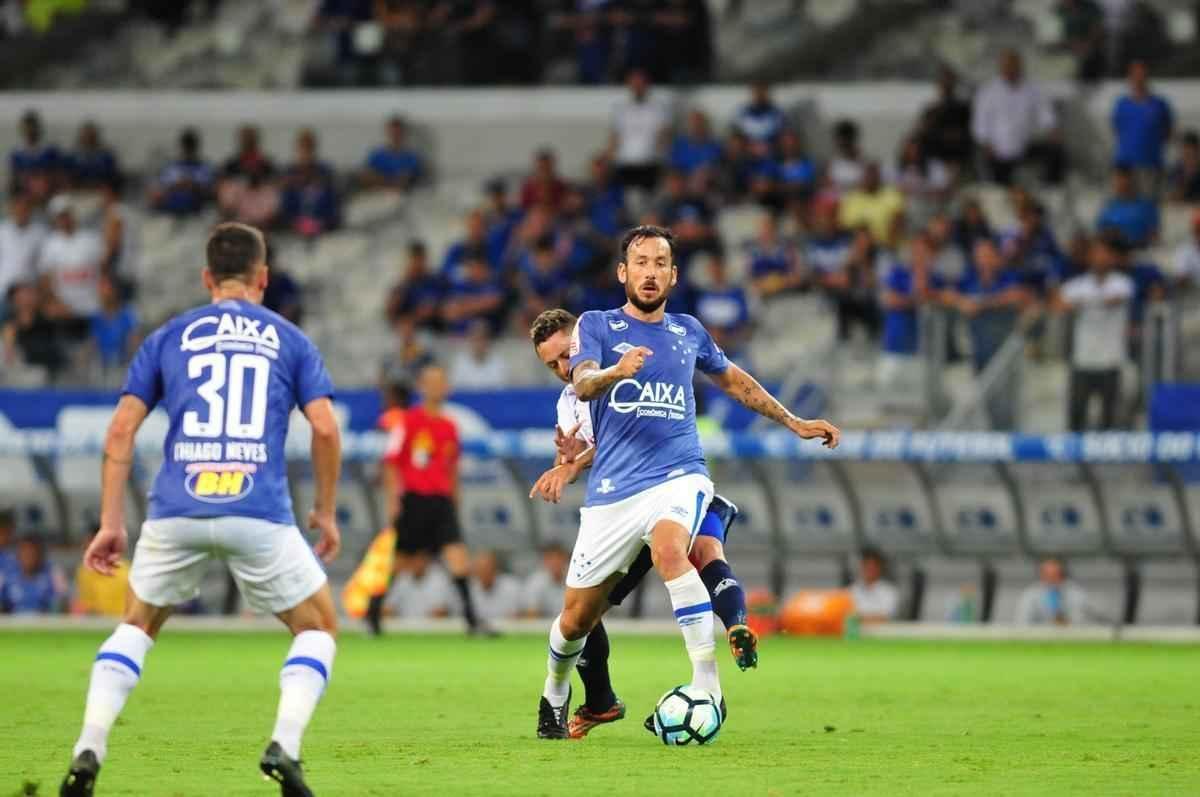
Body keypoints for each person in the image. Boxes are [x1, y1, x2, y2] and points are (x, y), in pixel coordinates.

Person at [58, 222, 343, 796]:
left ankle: (88, 747)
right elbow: (325, 428)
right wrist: (325, 510)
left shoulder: (168, 336)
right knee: (318, 628)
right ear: (263, 277)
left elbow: (120, 431)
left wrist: (111, 522)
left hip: (176, 508)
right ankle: (284, 746)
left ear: (207, 278)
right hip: (257, 510)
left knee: (137, 625)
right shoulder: (289, 338)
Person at [527, 227, 839, 739]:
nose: (650, 272)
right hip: (613, 494)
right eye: (640, 262)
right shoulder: (596, 325)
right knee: (575, 620)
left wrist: (794, 421)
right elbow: (583, 381)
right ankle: (555, 694)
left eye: (660, 263)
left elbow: (734, 380)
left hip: (678, 473)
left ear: (673, 275)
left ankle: (706, 685)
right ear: (623, 272)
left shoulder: (689, 331)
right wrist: (615, 373)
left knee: (673, 550)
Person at [527, 306, 761, 739]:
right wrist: (567, 463)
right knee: (579, 618)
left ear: (582, 340)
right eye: (552, 364)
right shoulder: (569, 402)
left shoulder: (633, 363)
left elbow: (630, 434)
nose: (562, 368)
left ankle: (711, 679)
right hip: (619, 511)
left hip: (673, 485)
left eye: (566, 354)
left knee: (692, 551)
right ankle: (577, 698)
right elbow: (591, 449)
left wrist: (576, 460)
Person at [368, 363, 488, 637]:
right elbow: (391, 463)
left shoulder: (450, 427)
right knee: (400, 562)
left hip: (441, 502)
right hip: (414, 500)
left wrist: (455, 501)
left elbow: (452, 468)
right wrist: (393, 500)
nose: (436, 387)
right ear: (422, 387)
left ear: (447, 387)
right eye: (431, 382)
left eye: (440, 382)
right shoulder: (408, 421)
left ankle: (472, 620)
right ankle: (373, 612)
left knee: (458, 557)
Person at [943, 238, 1032, 430]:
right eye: (979, 255)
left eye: (987, 255)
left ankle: (1006, 438)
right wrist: (961, 301)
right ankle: (993, 438)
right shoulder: (970, 279)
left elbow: (1020, 296)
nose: (983, 260)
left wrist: (982, 304)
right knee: (985, 403)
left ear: (996, 256)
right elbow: (947, 294)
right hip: (979, 352)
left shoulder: (1007, 277)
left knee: (1005, 404)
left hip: (1003, 354)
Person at [1054, 233, 1134, 431]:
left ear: (1113, 258)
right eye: (1096, 253)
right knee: (1076, 416)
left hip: (1111, 360)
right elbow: (1058, 304)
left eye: (1105, 254)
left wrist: (1081, 303)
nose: (1100, 258)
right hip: (1083, 359)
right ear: (1089, 257)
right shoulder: (1078, 284)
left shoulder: (1122, 282)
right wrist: (1079, 302)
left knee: (1109, 418)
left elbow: (1115, 299)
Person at [971, 50, 1058, 185]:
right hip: (997, 150)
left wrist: (1052, 129)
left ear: (1020, 66)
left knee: (1056, 152)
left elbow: (1044, 112)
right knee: (998, 179)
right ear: (1000, 68)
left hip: (1025, 145)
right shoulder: (987, 92)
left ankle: (1049, 188)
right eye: (1007, 66)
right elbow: (980, 125)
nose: (1011, 69)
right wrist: (986, 144)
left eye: (1014, 65)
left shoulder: (1032, 89)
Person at [38, 194, 105, 339]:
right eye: (60, 217)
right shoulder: (50, 244)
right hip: (64, 311)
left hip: (91, 307)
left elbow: (103, 271)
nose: (64, 220)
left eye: (66, 215)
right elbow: (45, 280)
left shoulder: (91, 239)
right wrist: (56, 302)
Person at [1111, 60, 1174, 190]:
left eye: (1142, 75)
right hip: (1125, 167)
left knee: (1149, 199)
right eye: (1135, 75)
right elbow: (1116, 129)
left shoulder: (1159, 104)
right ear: (1130, 78)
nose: (1139, 79)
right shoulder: (1122, 105)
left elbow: (1168, 131)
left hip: (1151, 165)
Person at [609, 69, 671, 192]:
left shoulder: (658, 108)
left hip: (649, 161)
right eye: (634, 83)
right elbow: (615, 136)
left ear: (646, 85)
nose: (637, 87)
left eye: (640, 83)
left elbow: (664, 136)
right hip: (625, 161)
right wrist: (610, 159)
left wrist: (663, 158)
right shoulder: (621, 109)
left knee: (648, 196)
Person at [838, 161, 906, 248]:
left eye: (873, 175)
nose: (870, 179)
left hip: (883, 245)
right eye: (867, 175)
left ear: (879, 177)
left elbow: (899, 221)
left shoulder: (892, 195)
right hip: (854, 245)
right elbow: (843, 225)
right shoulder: (851, 197)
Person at [918, 66, 973, 172]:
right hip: (936, 162)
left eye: (949, 82)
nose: (946, 85)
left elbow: (967, 136)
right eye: (943, 82)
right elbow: (924, 134)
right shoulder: (932, 111)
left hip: (958, 161)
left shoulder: (963, 109)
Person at [148, 128, 214, 216]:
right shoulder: (171, 167)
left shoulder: (204, 168)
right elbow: (159, 190)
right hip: (169, 211)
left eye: (190, 147)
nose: (188, 151)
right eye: (186, 147)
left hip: (196, 211)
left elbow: (210, 192)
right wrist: (177, 185)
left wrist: (192, 185)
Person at [0, 192, 47, 312]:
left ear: (30, 210)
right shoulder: (3, 231)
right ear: (12, 209)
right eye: (18, 208)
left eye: (25, 208)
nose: (22, 211)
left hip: (29, 292)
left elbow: (44, 264)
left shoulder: (40, 232)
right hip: (4, 290)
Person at [385, 240, 443, 332]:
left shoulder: (436, 281)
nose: (416, 264)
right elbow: (390, 315)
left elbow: (444, 309)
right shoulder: (401, 284)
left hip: (435, 331)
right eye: (413, 260)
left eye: (420, 260)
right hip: (409, 331)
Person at [1096, 165, 1159, 249]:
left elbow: (1154, 236)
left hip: (1138, 250)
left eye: (1124, 179)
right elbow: (1099, 234)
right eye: (1117, 179)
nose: (1121, 183)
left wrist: (1129, 242)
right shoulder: (1108, 206)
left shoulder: (1146, 206)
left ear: (1132, 180)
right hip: (1110, 251)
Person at [0, 536, 67, 613]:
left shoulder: (53, 573)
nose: (28, 557)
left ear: (40, 554)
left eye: (32, 553)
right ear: (18, 555)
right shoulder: (6, 575)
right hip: (12, 618)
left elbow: (61, 602)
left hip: (44, 618)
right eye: (24, 553)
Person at [1014, 558, 1090, 625]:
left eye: (1056, 575)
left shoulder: (1076, 593)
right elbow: (1022, 622)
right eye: (1047, 575)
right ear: (1041, 575)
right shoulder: (1030, 594)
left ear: (1063, 575)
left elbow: (1084, 621)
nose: (1051, 580)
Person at [73, 529, 130, 617]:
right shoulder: (84, 571)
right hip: (98, 622)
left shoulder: (127, 570)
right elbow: (82, 605)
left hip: (123, 620)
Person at [361, 115, 424, 192]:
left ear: (404, 134)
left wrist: (384, 179)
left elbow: (408, 179)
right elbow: (367, 175)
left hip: (402, 194)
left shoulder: (412, 157)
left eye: (398, 133)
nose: (395, 136)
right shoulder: (377, 155)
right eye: (393, 133)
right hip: (377, 192)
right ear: (388, 133)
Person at [448, 319, 508, 389]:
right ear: (469, 340)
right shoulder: (459, 363)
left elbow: (502, 390)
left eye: (482, 339)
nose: (479, 344)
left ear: (488, 341)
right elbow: (454, 390)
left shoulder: (499, 363)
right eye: (476, 339)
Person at [469, 550, 522, 623]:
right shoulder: (469, 589)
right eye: (480, 569)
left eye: (487, 568)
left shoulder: (512, 587)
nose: (484, 572)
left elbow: (525, 615)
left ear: (495, 569)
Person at [67, 121, 122, 191]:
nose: (88, 138)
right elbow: (67, 176)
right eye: (85, 135)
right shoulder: (73, 156)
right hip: (78, 190)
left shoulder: (106, 156)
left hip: (101, 190)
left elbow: (114, 176)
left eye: (91, 136)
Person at [848, 547, 899, 623]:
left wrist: (860, 618)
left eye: (873, 566)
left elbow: (886, 617)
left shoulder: (890, 591)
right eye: (866, 565)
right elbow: (847, 616)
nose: (869, 569)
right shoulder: (851, 591)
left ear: (880, 567)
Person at [668, 109, 723, 178]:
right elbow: (672, 169)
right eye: (693, 123)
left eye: (699, 123)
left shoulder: (715, 146)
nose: (696, 126)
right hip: (683, 180)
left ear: (705, 125)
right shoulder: (678, 145)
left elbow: (718, 168)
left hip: (707, 181)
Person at [521, 544, 568, 619]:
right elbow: (530, 613)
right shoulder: (535, 581)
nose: (555, 562)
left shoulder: (575, 581)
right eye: (551, 558)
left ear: (566, 559)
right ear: (544, 561)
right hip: (542, 625)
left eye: (559, 558)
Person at [733, 81, 786, 148]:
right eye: (756, 92)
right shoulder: (742, 113)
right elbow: (737, 136)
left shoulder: (777, 114)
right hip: (748, 149)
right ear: (752, 94)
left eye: (762, 92)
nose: (759, 95)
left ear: (767, 94)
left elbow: (781, 136)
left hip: (771, 149)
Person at [1167, 131, 1200, 203]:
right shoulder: (1176, 172)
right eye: (1185, 154)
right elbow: (1170, 196)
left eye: (1190, 154)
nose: (1187, 158)